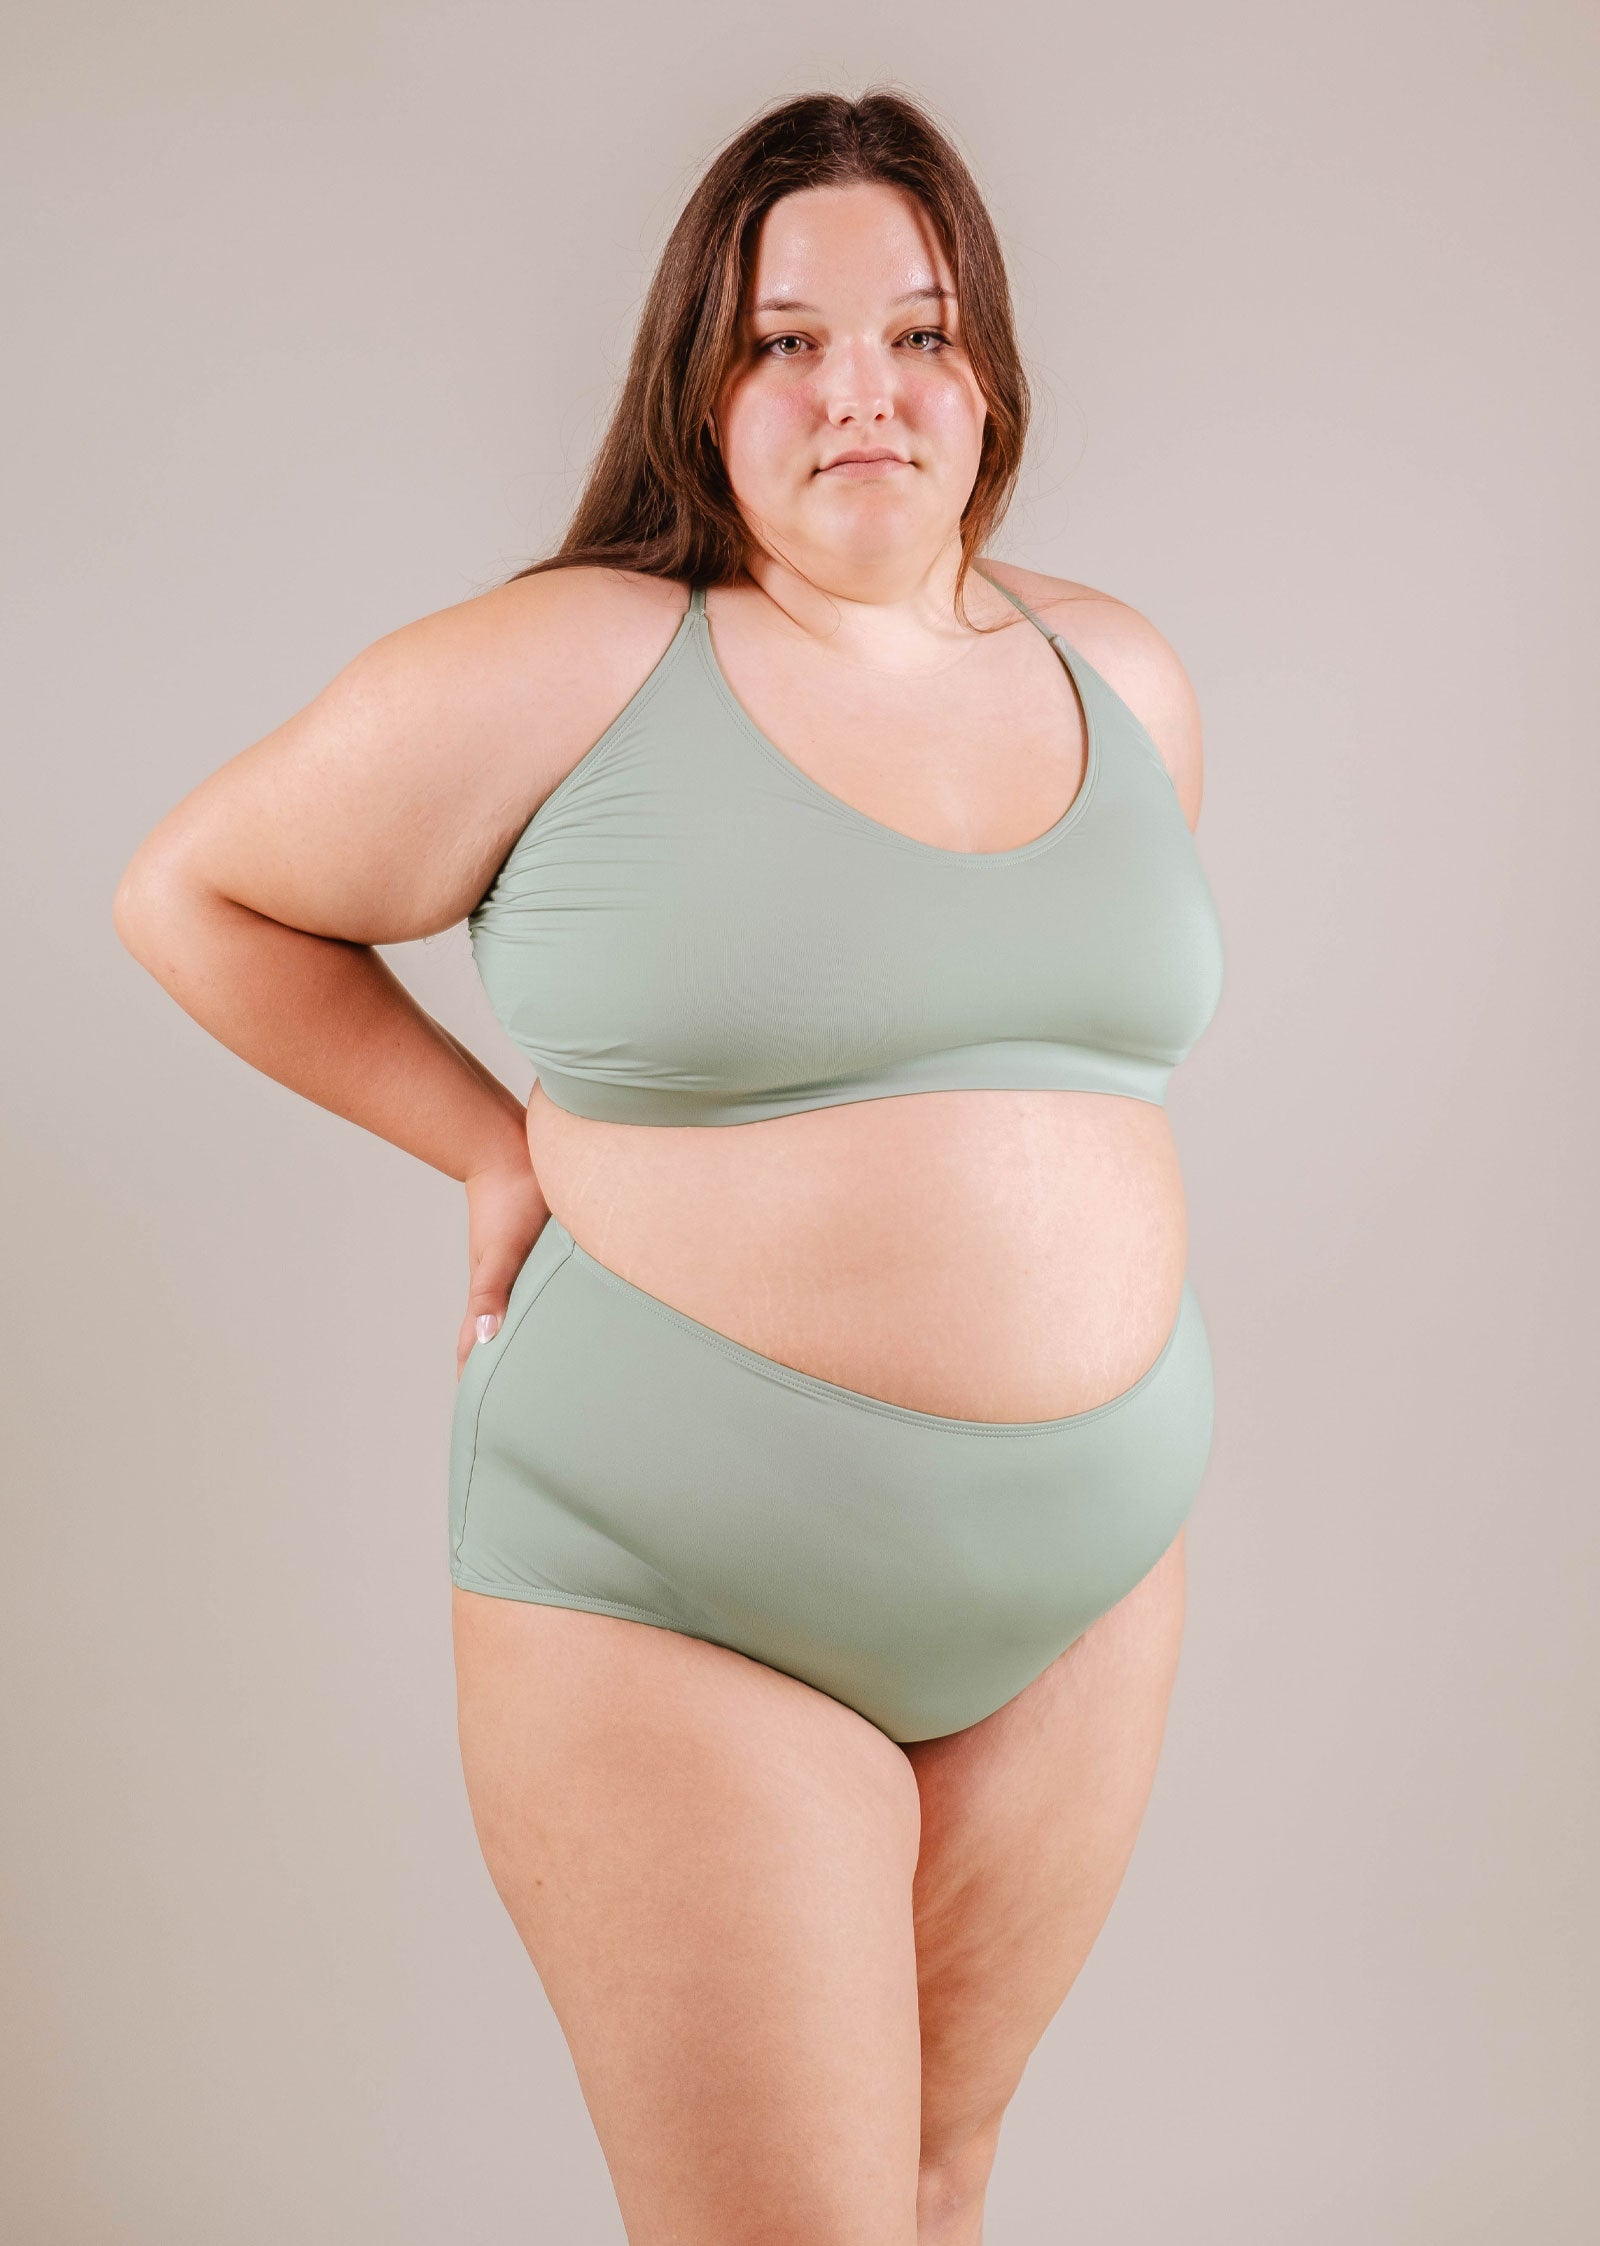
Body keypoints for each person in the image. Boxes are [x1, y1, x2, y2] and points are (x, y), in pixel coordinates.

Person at [115, 86, 1225, 2246]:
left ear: (983, 363)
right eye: (782, 341)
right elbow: (198, 894)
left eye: (914, 331)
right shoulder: (577, 658)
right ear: (695, 386)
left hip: (1082, 1574)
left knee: (935, 2179)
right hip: (679, 1581)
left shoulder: (1129, 676)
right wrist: (488, 1142)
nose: (861, 392)